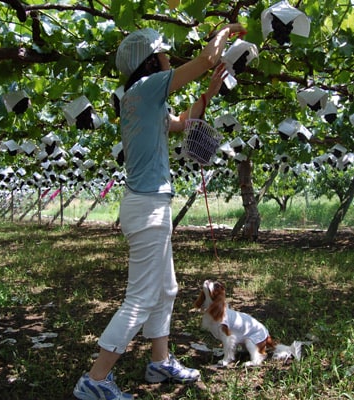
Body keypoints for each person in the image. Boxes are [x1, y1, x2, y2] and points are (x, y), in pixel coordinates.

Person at [73, 22, 247, 400]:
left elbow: (182, 124)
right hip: (148, 206)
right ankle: (96, 380)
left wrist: (209, 93)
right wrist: (223, 30)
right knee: (139, 297)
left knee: (166, 289)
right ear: (153, 60)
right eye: (165, 53)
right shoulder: (146, 88)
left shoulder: (142, 98)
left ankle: (159, 361)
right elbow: (206, 58)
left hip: (151, 205)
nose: (170, 57)